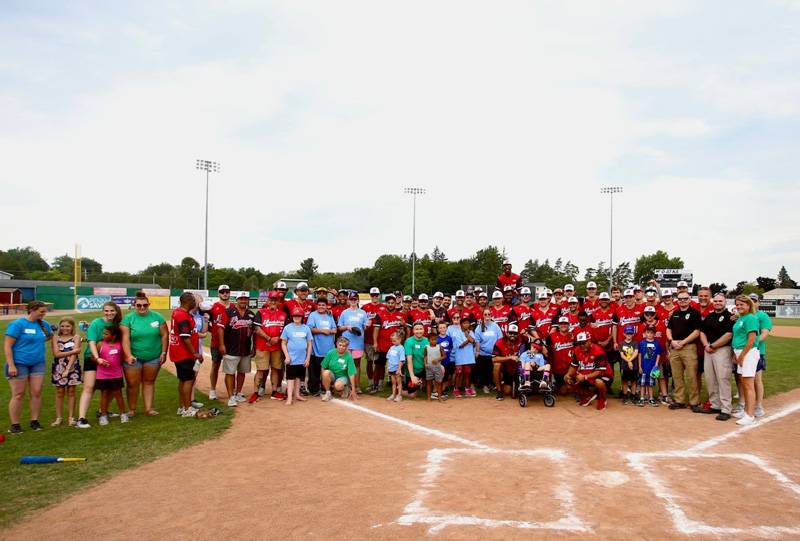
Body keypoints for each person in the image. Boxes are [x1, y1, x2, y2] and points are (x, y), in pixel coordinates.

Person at [4, 300, 53, 434]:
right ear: (32, 310)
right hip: (19, 363)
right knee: (18, 394)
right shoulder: (17, 324)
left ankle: (34, 421)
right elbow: (7, 346)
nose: (44, 314)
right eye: (41, 311)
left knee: (36, 392)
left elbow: (49, 336)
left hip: (38, 363)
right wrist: (11, 365)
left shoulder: (44, 325)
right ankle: (15, 424)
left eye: (45, 311)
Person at [120, 291, 168, 417]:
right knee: (132, 384)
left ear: (149, 305)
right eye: (139, 305)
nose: (142, 307)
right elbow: (125, 338)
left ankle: (149, 409)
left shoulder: (158, 317)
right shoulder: (128, 319)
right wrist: (129, 355)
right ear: (134, 305)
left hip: (153, 357)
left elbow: (164, 335)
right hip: (134, 358)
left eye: (145, 305)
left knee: (149, 382)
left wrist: (164, 352)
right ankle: (131, 409)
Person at [76, 301, 122, 429]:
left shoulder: (117, 324)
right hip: (93, 358)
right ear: (103, 311)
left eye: (112, 311)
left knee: (113, 387)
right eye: (106, 311)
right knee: (89, 387)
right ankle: (81, 418)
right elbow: (91, 342)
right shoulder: (96, 323)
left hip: (110, 359)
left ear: (116, 311)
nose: (109, 313)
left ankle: (102, 410)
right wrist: (97, 358)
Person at [217, 292, 255, 407]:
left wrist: (254, 347)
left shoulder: (251, 315)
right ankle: (230, 396)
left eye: (245, 299)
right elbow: (220, 329)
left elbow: (255, 332)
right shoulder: (228, 312)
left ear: (248, 300)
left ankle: (238, 392)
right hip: (231, 348)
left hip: (245, 349)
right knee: (230, 373)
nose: (243, 301)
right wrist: (222, 344)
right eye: (241, 299)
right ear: (237, 300)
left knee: (242, 372)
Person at [699, 293, 734, 420]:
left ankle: (726, 408)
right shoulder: (710, 316)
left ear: (725, 302)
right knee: (710, 378)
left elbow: (728, 335)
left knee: (723, 378)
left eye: (721, 301)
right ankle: (715, 404)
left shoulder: (729, 317)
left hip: (722, 350)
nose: (718, 303)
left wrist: (713, 346)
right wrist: (706, 345)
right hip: (708, 349)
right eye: (716, 301)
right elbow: (702, 332)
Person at [666, 290, 702, 411]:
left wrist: (683, 342)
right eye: (680, 299)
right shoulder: (675, 313)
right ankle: (679, 400)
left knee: (692, 376)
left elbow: (697, 331)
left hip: (689, 347)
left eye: (685, 299)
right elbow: (668, 329)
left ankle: (694, 402)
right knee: (677, 376)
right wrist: (671, 341)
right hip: (675, 347)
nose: (682, 301)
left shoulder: (695, 313)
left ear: (689, 299)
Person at [169, 292, 203, 417]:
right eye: (193, 301)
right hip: (184, 354)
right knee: (188, 380)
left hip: (179, 352)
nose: (195, 303)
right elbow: (185, 338)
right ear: (187, 301)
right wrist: (195, 353)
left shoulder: (179, 313)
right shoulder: (182, 315)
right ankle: (187, 408)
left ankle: (182, 407)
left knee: (183, 380)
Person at [251, 291, 287, 402]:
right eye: (271, 299)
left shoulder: (283, 314)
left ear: (278, 302)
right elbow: (257, 329)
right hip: (263, 346)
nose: (273, 302)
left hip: (277, 347)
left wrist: (278, 338)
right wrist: (269, 338)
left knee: (276, 369)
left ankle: (274, 392)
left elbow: (286, 330)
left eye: (275, 300)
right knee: (261, 370)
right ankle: (255, 393)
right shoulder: (261, 313)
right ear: (268, 300)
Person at [731, 295, 761, 426]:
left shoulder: (751, 318)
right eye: (737, 305)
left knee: (748, 384)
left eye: (742, 304)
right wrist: (736, 354)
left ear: (749, 305)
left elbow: (751, 339)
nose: (739, 307)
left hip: (748, 353)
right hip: (740, 353)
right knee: (744, 382)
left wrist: (742, 355)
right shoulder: (741, 318)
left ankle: (750, 415)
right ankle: (746, 411)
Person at [565, 332, 611, 410]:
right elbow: (573, 366)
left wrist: (585, 377)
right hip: (587, 375)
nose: (581, 345)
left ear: (590, 341)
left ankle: (602, 398)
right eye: (579, 343)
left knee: (598, 382)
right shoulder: (577, 350)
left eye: (583, 343)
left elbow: (599, 371)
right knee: (567, 378)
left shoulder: (599, 351)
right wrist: (568, 375)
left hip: (603, 375)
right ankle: (588, 395)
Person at [371, 294, 407, 393]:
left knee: (398, 365)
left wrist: (403, 325)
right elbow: (376, 329)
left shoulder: (400, 315)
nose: (391, 304)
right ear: (386, 303)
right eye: (389, 303)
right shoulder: (380, 314)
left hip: (396, 347)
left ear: (396, 303)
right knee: (379, 365)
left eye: (392, 303)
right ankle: (377, 384)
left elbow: (403, 331)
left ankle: (399, 384)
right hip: (383, 345)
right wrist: (375, 342)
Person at [51, 317, 82, 427]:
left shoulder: (76, 337)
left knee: (71, 392)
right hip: (58, 367)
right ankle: (59, 418)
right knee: (59, 392)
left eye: (68, 326)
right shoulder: (55, 337)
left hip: (73, 367)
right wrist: (74, 350)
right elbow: (56, 354)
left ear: (72, 327)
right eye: (63, 326)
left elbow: (74, 356)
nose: (65, 328)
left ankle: (71, 417)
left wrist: (68, 369)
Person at [96, 326, 128, 425]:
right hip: (102, 375)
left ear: (114, 336)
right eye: (103, 333)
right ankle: (103, 416)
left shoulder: (120, 345)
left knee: (118, 394)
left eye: (106, 334)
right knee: (104, 394)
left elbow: (123, 358)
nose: (103, 335)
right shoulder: (100, 344)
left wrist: (130, 359)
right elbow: (94, 357)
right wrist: (100, 361)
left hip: (116, 374)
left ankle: (123, 414)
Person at [280, 307, 313, 406]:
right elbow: (283, 343)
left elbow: (309, 344)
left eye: (298, 316)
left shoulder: (306, 328)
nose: (296, 317)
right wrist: (287, 356)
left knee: (299, 377)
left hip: (302, 358)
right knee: (291, 378)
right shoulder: (288, 328)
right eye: (295, 316)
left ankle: (297, 395)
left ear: (302, 317)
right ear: (292, 317)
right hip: (292, 358)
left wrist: (307, 358)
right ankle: (290, 397)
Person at [337, 292, 368, 392]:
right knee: (345, 364)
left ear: (358, 300)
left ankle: (357, 386)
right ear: (349, 300)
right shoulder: (345, 312)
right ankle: (346, 385)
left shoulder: (362, 313)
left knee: (357, 365)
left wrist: (368, 325)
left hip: (358, 342)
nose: (353, 301)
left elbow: (365, 326)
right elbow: (340, 328)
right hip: (346, 343)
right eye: (351, 299)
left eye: (355, 299)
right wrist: (347, 327)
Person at [307, 297, 337, 396]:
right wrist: (322, 330)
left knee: (327, 371)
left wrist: (330, 331)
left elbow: (335, 329)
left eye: (323, 305)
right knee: (315, 371)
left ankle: (326, 388)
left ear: (326, 306)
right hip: (316, 348)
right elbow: (309, 328)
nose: (321, 307)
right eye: (319, 305)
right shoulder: (313, 315)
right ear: (316, 306)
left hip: (329, 348)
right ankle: (314, 389)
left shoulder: (329, 315)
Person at [749, 293, 773, 418]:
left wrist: (752, 342)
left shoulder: (762, 316)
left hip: (757, 351)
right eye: (750, 300)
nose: (752, 302)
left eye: (754, 300)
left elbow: (765, 333)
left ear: (758, 302)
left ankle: (759, 405)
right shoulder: (743, 315)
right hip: (742, 352)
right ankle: (744, 404)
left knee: (757, 379)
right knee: (744, 380)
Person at [208, 285, 232, 401]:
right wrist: (211, 330)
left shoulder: (233, 307)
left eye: (227, 292)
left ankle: (232, 391)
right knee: (215, 365)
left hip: (231, 342)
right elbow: (206, 321)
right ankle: (212, 389)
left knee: (231, 368)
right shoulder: (213, 307)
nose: (225, 294)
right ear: (218, 294)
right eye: (222, 292)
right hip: (216, 342)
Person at [492, 323, 526, 400]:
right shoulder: (499, 342)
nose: (512, 335)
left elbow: (535, 343)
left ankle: (511, 385)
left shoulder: (521, 340)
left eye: (515, 333)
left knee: (514, 393)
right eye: (510, 333)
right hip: (506, 369)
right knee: (497, 365)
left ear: (517, 334)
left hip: (518, 369)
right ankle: (499, 390)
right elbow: (494, 359)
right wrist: (510, 357)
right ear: (506, 333)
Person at [320, 337, 358, 402]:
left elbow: (351, 373)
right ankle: (328, 393)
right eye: (340, 345)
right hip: (332, 375)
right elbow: (323, 366)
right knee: (326, 373)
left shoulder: (349, 356)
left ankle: (345, 388)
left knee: (338, 386)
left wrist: (354, 389)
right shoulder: (331, 353)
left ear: (347, 347)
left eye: (344, 346)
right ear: (336, 344)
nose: (341, 347)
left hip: (343, 377)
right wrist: (324, 380)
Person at [362, 287, 385, 393]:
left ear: (379, 295)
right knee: (369, 362)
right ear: (370, 295)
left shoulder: (383, 307)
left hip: (380, 339)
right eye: (373, 295)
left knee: (380, 363)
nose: (375, 297)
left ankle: (380, 383)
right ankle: (371, 382)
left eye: (376, 295)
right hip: (368, 339)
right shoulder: (365, 307)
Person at [546, 317, 574, 394]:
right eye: (561, 324)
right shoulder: (551, 336)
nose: (563, 325)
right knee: (563, 392)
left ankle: (574, 386)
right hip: (557, 370)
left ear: (569, 325)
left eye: (565, 324)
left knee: (571, 389)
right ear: (558, 325)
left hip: (570, 369)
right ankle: (557, 384)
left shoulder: (573, 336)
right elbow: (545, 348)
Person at [451, 316, 477, 397]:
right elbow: (461, 345)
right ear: (461, 324)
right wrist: (467, 337)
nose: (466, 325)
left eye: (468, 323)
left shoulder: (471, 332)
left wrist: (468, 336)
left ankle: (467, 389)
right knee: (459, 373)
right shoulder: (457, 333)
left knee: (467, 373)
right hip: (460, 356)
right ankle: (456, 389)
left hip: (469, 356)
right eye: (464, 323)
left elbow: (474, 342)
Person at [637, 326, 662, 407]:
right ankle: (642, 398)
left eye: (651, 333)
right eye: (648, 332)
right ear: (645, 333)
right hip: (644, 367)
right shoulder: (641, 343)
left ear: (654, 334)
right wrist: (640, 366)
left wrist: (656, 364)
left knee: (650, 384)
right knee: (642, 384)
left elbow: (658, 354)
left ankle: (651, 398)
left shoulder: (657, 344)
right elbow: (640, 355)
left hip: (652, 368)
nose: (650, 334)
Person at [403, 323, 427, 398]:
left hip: (424, 368)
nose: (419, 331)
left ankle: (428, 387)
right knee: (412, 395)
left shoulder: (427, 340)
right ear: (413, 330)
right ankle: (399, 389)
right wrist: (412, 376)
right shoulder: (409, 341)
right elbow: (409, 360)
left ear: (424, 330)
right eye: (416, 329)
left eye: (421, 329)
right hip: (414, 371)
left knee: (441, 368)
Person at [619, 326, 640, 405]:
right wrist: (628, 361)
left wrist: (630, 361)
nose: (629, 335)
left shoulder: (635, 343)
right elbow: (621, 355)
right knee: (625, 381)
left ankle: (633, 395)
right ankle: (625, 395)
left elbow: (636, 352)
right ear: (624, 334)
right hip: (625, 365)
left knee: (634, 381)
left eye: (630, 333)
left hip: (634, 365)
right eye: (627, 333)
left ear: (633, 334)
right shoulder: (621, 343)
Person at [423, 332, 446, 401]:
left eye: (435, 340)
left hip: (437, 367)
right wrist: (425, 364)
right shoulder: (426, 347)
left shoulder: (440, 347)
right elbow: (425, 356)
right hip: (429, 367)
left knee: (438, 383)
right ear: (429, 340)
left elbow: (444, 356)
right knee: (429, 383)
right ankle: (429, 397)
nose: (434, 341)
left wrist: (438, 359)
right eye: (432, 340)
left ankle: (439, 397)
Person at [386, 331, 406, 402]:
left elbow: (402, 360)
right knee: (393, 382)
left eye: (394, 341)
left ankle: (399, 395)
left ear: (400, 339)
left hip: (397, 368)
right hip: (391, 368)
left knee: (399, 382)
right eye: (392, 341)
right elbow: (388, 358)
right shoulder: (391, 347)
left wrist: (399, 369)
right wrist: (388, 367)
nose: (393, 342)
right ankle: (393, 394)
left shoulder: (401, 348)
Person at [436, 321, 454, 397]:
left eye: (444, 327)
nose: (442, 329)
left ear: (446, 328)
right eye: (440, 328)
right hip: (439, 362)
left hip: (447, 361)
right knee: (439, 377)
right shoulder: (437, 339)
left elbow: (450, 348)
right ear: (438, 329)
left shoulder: (449, 338)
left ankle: (443, 391)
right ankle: (437, 391)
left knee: (446, 377)